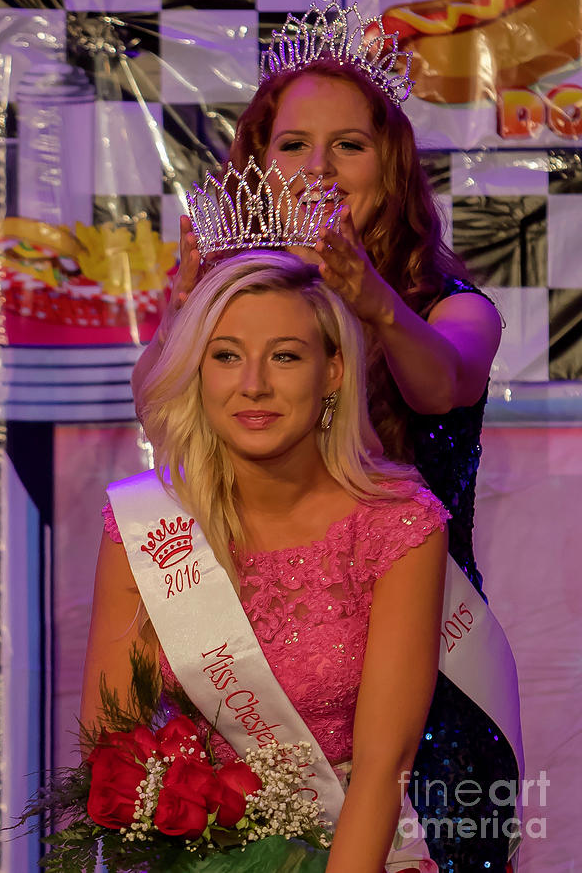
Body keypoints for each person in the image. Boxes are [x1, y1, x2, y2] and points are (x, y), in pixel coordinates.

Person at [130, 5, 518, 871]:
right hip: (260, 679)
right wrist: (186, 314)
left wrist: (374, 302)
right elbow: (160, 415)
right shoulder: (240, 314)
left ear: (392, 165)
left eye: (350, 145)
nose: (319, 168)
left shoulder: (450, 310)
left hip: (433, 686)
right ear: (260, 164)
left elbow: (441, 382)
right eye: (294, 144)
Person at [83, 251, 450, 873]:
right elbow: (109, 741)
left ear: (333, 370)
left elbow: (386, 763)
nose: (253, 384)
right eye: (226, 355)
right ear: (197, 370)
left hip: (353, 847)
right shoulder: (148, 523)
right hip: (189, 852)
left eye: (285, 355)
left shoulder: (397, 524)